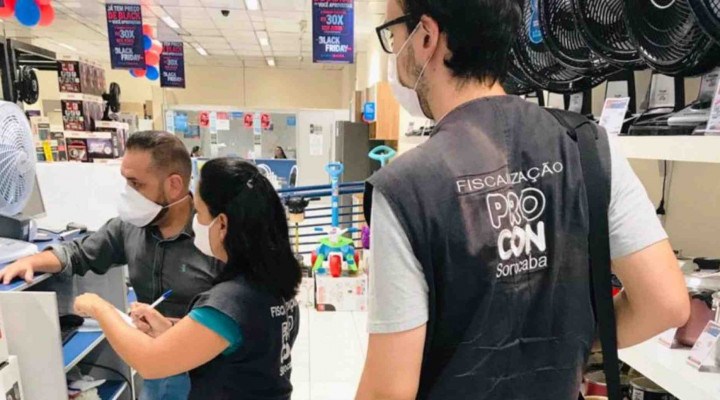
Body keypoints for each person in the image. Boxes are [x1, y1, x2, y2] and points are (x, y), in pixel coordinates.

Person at [356, 1, 690, 399]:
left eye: (393, 34)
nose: (394, 51)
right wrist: (569, 342)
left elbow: (388, 392)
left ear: (426, 37)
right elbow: (665, 303)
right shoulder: (589, 147)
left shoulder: (405, 189)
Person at [0, 131, 221, 400]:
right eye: (126, 182)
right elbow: (79, 253)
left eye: (136, 184)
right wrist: (31, 260)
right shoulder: (130, 227)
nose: (128, 194)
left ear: (174, 185)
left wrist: (101, 309)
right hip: (154, 372)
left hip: (206, 375)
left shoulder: (214, 237)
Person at [73, 158, 302, 400]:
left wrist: (99, 308)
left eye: (200, 213)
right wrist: (170, 330)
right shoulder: (272, 282)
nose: (195, 224)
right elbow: (241, 342)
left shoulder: (232, 300)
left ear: (222, 224)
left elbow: (150, 362)